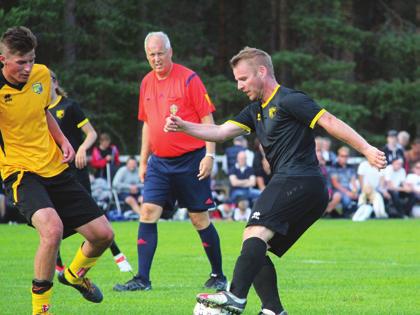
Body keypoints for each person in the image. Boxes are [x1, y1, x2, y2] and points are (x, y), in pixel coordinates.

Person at [164, 46, 387, 315]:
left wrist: (365, 149)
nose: (239, 86)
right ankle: (273, 310)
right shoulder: (254, 110)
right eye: (237, 80)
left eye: (243, 79)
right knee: (256, 247)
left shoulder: (290, 100)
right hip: (303, 187)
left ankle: (235, 296)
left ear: (262, 71)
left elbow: (328, 120)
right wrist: (184, 125)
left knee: (254, 233)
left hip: (300, 179)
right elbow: (221, 131)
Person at [0, 26, 114, 315]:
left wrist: (63, 140)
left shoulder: (41, 75)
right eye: (20, 62)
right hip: (20, 173)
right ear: (3, 59)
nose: (28, 68)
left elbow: (43, 112)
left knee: (103, 235)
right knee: (52, 230)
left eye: (31, 60)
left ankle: (75, 275)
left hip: (54, 167)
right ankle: (41, 311)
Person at [113, 31, 227, 292]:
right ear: (146, 56)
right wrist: (143, 161)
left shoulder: (189, 79)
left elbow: (208, 121)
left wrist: (210, 155)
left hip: (192, 160)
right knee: (147, 212)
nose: (156, 59)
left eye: (160, 53)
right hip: (159, 163)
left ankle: (218, 275)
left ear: (170, 51)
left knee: (199, 218)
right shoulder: (146, 82)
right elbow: (147, 124)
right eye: (151, 54)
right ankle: (142, 279)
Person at [48, 71, 132, 273]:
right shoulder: (37, 110)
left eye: (46, 81)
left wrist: (83, 149)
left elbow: (91, 133)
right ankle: (58, 265)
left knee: (92, 212)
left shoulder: (69, 106)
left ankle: (118, 256)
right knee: (53, 218)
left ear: (55, 83)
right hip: (51, 170)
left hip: (75, 169)